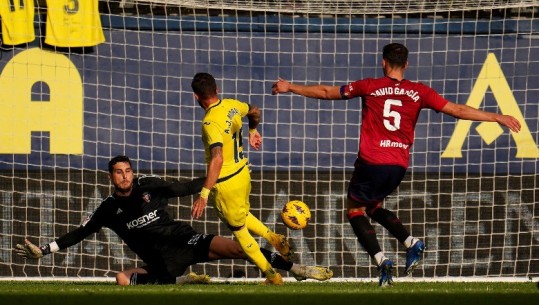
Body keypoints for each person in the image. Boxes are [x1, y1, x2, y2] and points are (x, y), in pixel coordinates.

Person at [271, 43, 521, 286]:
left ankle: (382, 260)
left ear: (383, 62)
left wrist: (290, 86)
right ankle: (411, 242)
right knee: (373, 207)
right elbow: (456, 109)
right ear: (406, 65)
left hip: (372, 161)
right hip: (398, 165)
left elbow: (327, 93)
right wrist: (496, 116)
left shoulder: (369, 86)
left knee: (355, 210)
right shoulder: (420, 91)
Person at [15, 155, 333, 285]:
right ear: (111, 176)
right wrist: (44, 250)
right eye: (118, 172)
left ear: (132, 173)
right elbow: (79, 234)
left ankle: (297, 269)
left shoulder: (148, 186)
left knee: (238, 247)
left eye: (127, 170)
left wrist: (211, 181)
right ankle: (180, 278)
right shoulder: (108, 209)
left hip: (185, 239)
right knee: (121, 279)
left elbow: (183, 188)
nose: (124, 176)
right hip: (161, 262)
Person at [191, 72, 297, 285]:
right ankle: (274, 238)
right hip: (243, 174)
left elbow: (218, 158)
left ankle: (272, 276)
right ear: (217, 90)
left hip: (226, 183)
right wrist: (253, 130)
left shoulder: (210, 123)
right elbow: (255, 111)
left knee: (239, 231)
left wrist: (203, 193)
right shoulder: (232, 105)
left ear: (196, 96)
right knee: (241, 214)